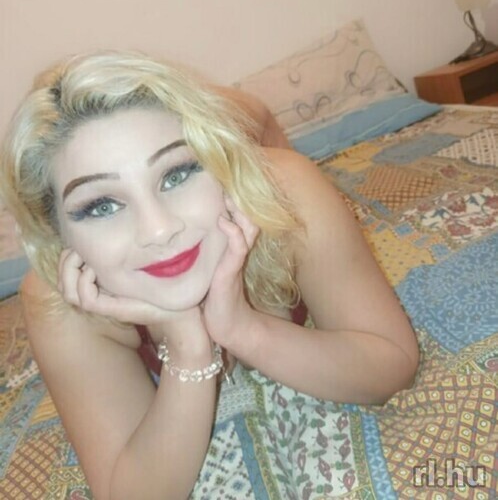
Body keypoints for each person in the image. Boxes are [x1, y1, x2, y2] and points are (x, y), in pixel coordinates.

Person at [0, 51, 419, 500]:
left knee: (250, 115)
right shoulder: (53, 298)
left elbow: (392, 367)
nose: (159, 230)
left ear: (220, 161)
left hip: (248, 137)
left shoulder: (288, 190)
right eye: (101, 206)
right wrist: (188, 344)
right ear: (58, 234)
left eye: (177, 174)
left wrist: (241, 326)